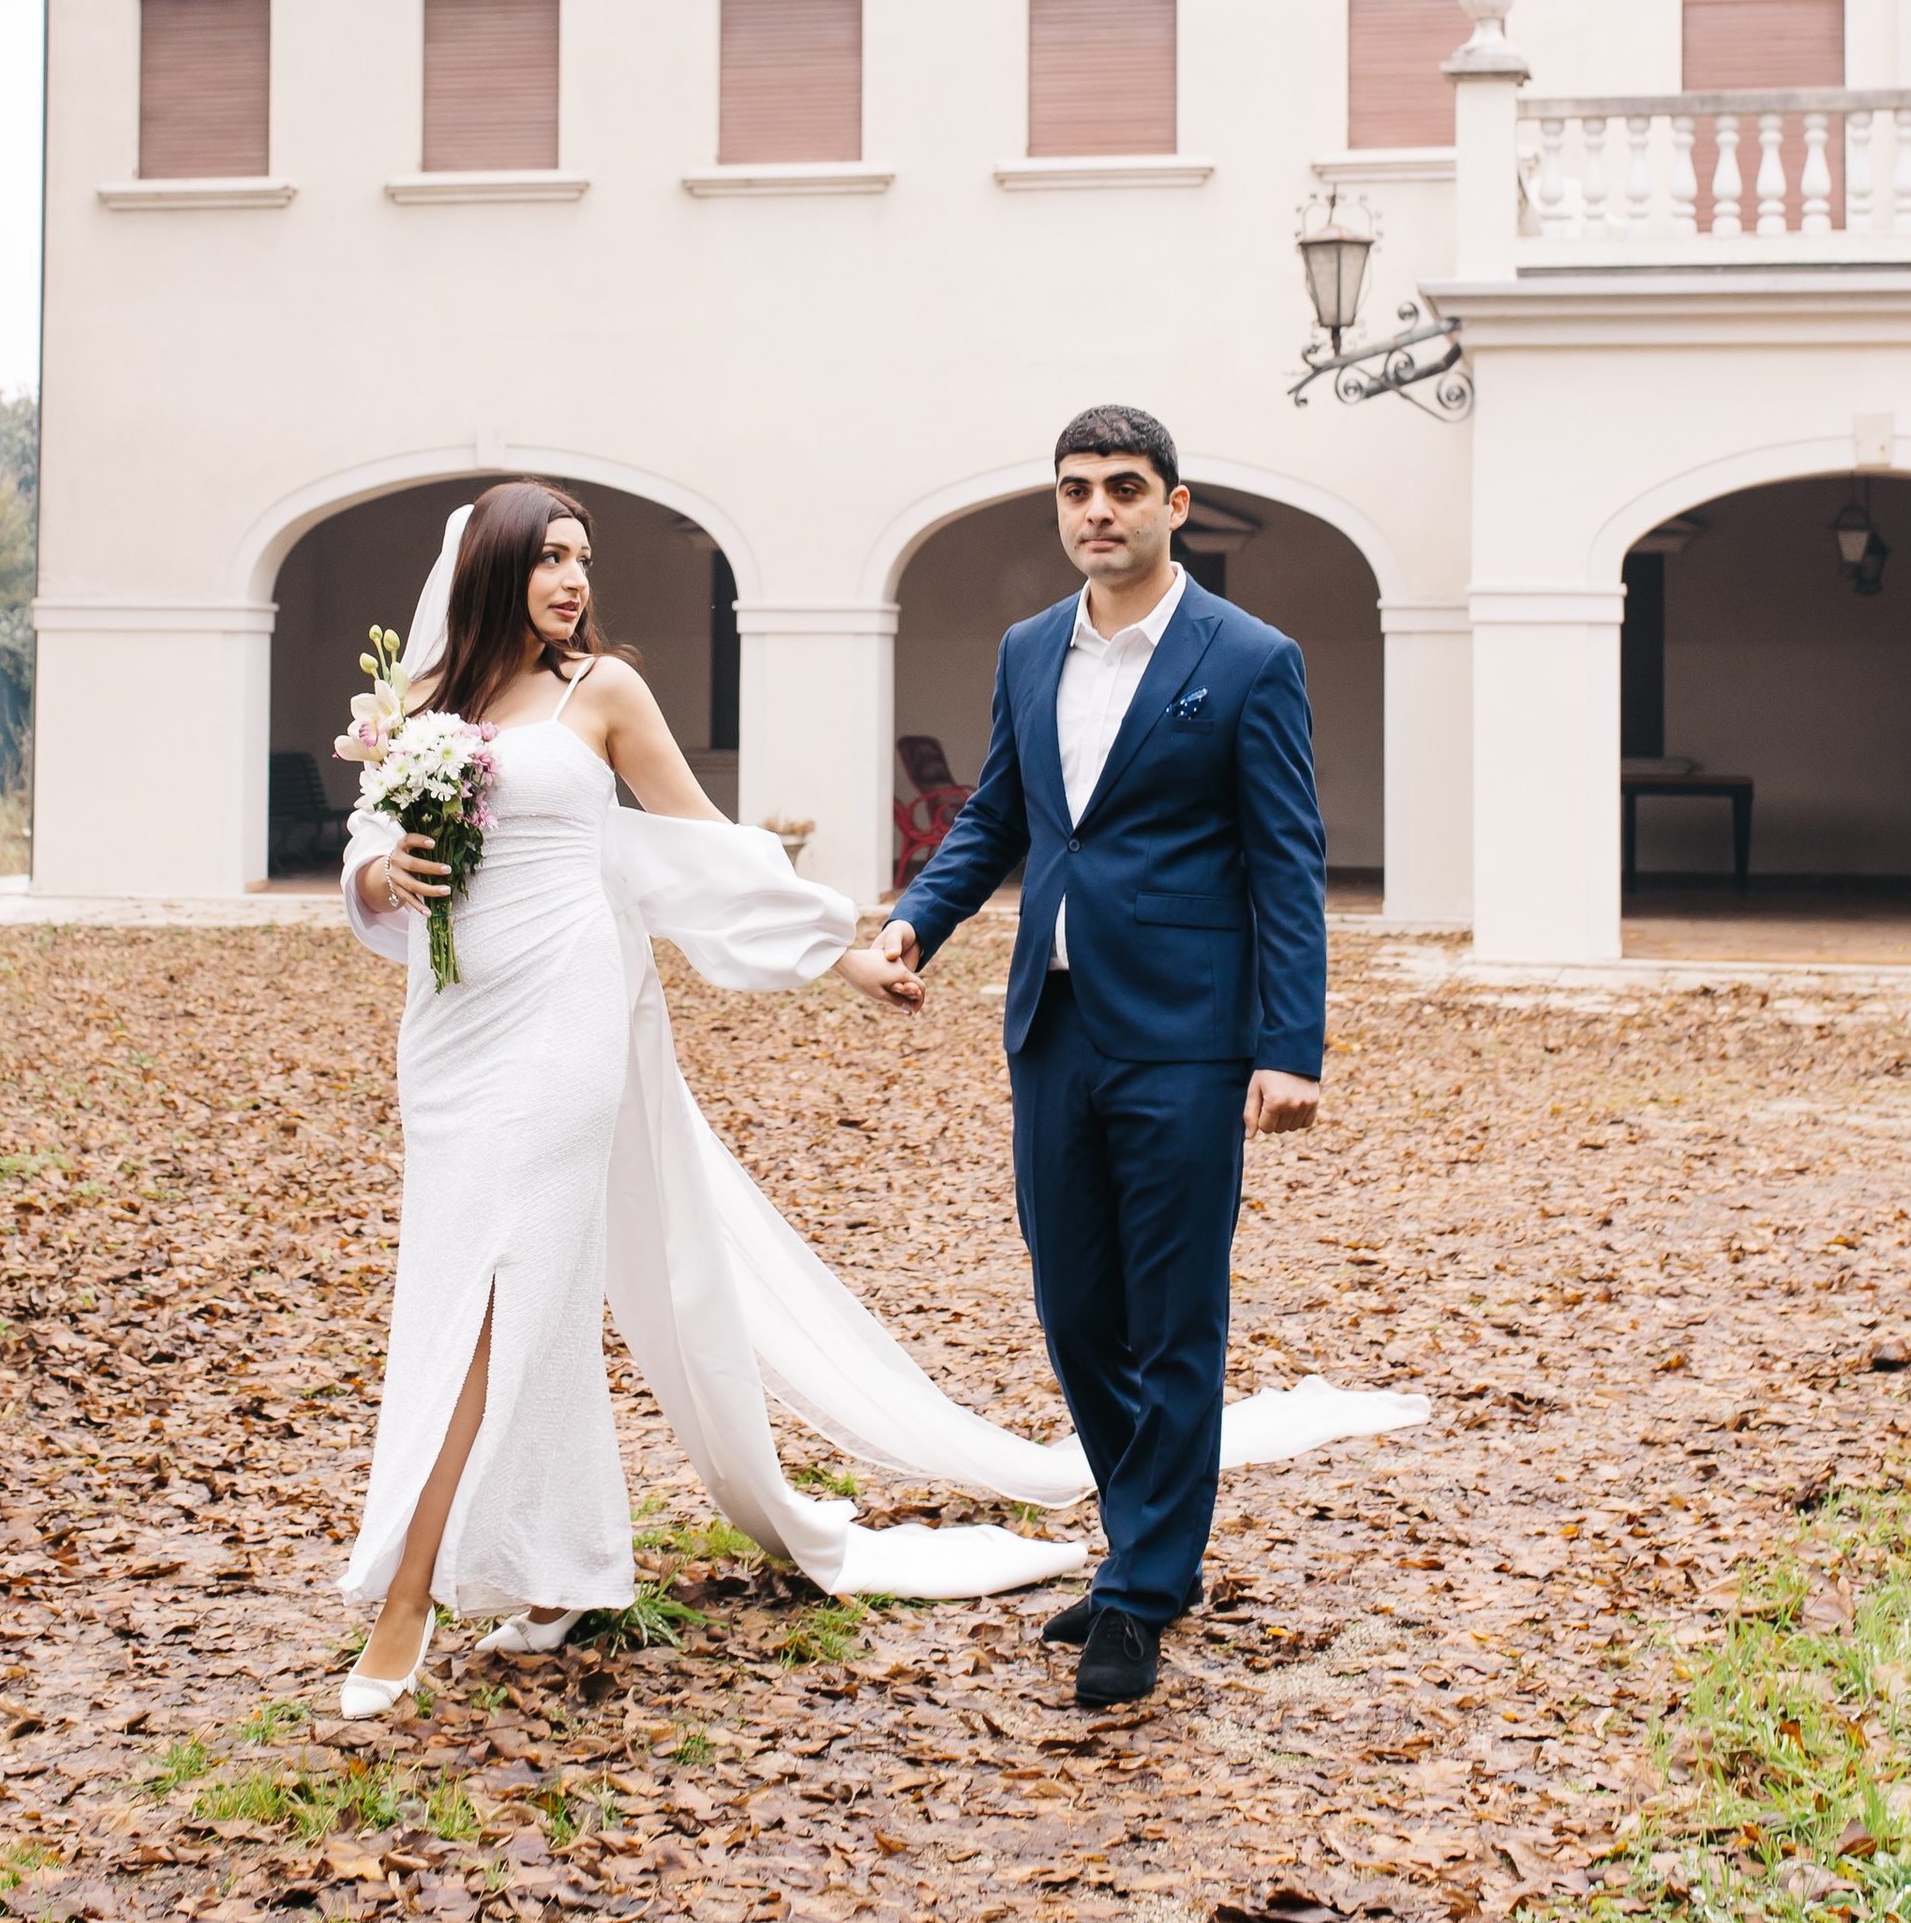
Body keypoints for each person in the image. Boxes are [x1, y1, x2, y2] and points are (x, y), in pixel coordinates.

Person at [336, 481, 1087, 1712]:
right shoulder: (417, 709)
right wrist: (382, 876)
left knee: (497, 1284)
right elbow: (364, 879)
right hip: (454, 1029)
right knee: (501, 1286)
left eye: (583, 559)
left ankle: (411, 1592)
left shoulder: (605, 693)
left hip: (569, 1013)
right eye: (548, 559)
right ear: (492, 572)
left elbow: (701, 845)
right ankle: (559, 1569)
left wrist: (839, 949)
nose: (574, 581)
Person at [879, 405, 1331, 1709]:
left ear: (1175, 504)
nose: (1097, 512)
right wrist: (919, 922)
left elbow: (1285, 866)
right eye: (1076, 490)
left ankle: (1142, 1586)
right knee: (1076, 1305)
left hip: (1190, 1034)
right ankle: (1146, 1527)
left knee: (1173, 1314)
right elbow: (1000, 818)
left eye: (1124, 488)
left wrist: (1286, 1044)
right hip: (1054, 1027)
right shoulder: (1030, 649)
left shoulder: (1248, 660)